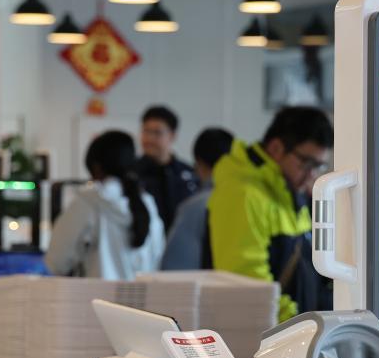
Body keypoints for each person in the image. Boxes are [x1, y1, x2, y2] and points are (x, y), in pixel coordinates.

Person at [208, 106, 333, 321]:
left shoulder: (289, 190)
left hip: (298, 330)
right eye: (306, 163)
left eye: (318, 166)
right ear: (276, 148)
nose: (311, 175)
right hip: (268, 332)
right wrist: (297, 325)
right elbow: (248, 282)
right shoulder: (243, 194)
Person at [45, 130, 165, 280]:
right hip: (143, 294)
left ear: (96, 167)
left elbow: (57, 262)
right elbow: (157, 257)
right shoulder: (148, 203)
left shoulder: (88, 201)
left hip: (96, 294)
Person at [160, 127, 233, 271]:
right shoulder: (253, 201)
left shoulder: (197, 207)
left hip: (209, 284)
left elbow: (175, 267)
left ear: (199, 162)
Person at [133, 105, 198, 231]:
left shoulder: (189, 175)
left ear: (172, 135)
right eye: (146, 131)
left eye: (157, 133)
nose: (149, 139)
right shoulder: (131, 173)